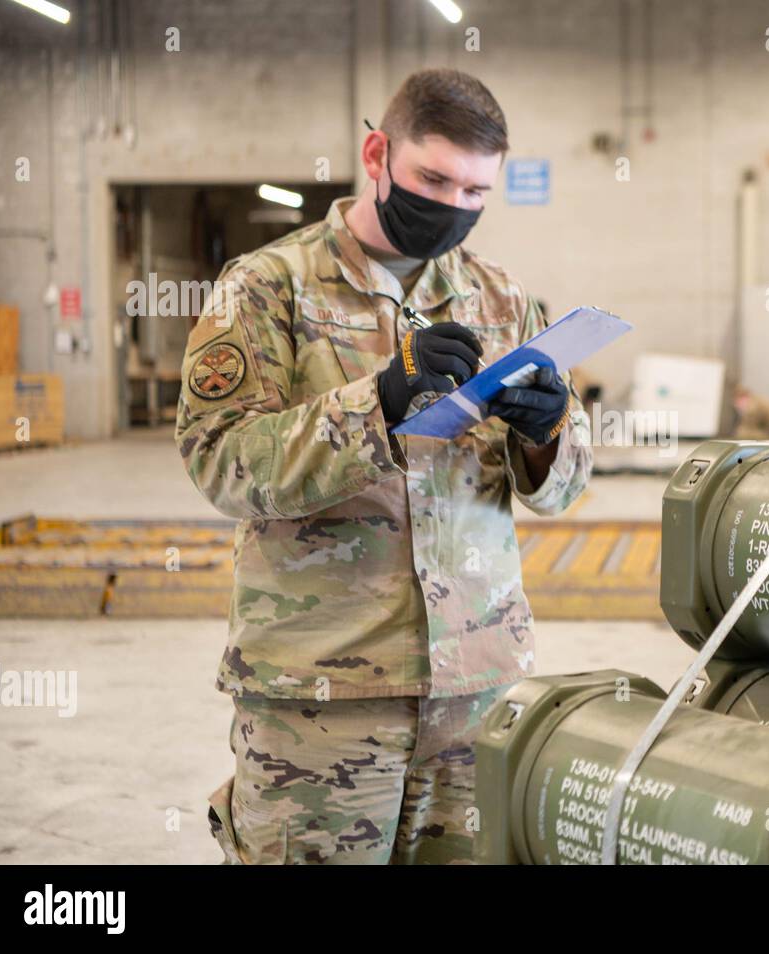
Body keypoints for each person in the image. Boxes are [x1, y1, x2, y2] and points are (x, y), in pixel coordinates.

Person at [174, 68, 591, 864]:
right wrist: (380, 402)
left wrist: (548, 435)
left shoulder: (502, 300)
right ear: (378, 153)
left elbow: (568, 488)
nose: (454, 206)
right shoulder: (267, 289)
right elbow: (221, 461)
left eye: (476, 191)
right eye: (434, 178)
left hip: (478, 692)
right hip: (323, 700)